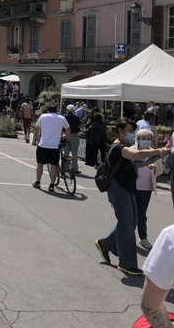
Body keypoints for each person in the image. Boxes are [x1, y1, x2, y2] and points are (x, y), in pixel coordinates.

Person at [94, 120, 167, 276]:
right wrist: (159, 150)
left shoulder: (124, 146)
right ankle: (127, 263)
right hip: (118, 189)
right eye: (130, 131)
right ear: (120, 131)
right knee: (127, 224)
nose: (132, 134)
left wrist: (154, 157)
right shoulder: (118, 147)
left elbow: (138, 163)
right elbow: (137, 154)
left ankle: (105, 244)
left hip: (127, 189)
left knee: (130, 222)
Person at [32, 104, 69, 193]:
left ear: (48, 110)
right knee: (54, 166)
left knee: (40, 164)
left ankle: (38, 182)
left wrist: (38, 139)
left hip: (43, 144)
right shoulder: (61, 118)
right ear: (56, 110)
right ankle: (52, 185)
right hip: (55, 146)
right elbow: (68, 129)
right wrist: (65, 137)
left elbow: (37, 128)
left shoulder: (43, 116)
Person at [63, 104, 82, 175]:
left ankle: (65, 167)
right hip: (74, 135)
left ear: (67, 109)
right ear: (73, 110)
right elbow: (79, 125)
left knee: (66, 152)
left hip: (65, 135)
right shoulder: (76, 117)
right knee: (74, 153)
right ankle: (74, 168)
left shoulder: (64, 117)